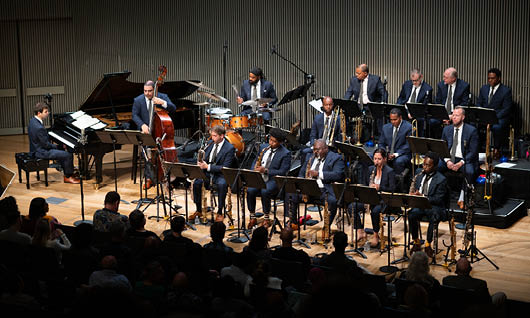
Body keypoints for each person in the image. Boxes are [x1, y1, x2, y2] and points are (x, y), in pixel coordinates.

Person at [289, 139, 344, 231]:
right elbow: (302, 173)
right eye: (314, 149)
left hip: (325, 189)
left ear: (326, 149)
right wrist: (303, 182)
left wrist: (319, 174)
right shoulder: (310, 157)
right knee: (291, 194)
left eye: (318, 150)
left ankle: (326, 227)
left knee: (332, 201)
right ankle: (293, 223)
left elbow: (338, 175)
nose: (315, 152)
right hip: (309, 189)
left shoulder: (336, 158)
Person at [132, 80, 176, 189]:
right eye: (145, 91)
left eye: (149, 91)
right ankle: (149, 178)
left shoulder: (162, 96)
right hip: (146, 132)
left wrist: (163, 103)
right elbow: (135, 115)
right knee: (148, 154)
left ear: (154, 89)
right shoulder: (138, 100)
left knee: (163, 153)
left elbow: (173, 108)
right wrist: (142, 125)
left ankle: (166, 176)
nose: (147, 93)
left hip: (160, 133)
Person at [247, 128, 291, 229]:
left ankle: (266, 217)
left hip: (273, 179)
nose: (270, 142)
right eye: (270, 140)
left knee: (265, 191)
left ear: (280, 142)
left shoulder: (285, 153)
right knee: (250, 190)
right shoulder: (263, 147)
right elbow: (255, 160)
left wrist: (266, 170)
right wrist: (254, 168)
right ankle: (252, 216)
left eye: (274, 141)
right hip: (260, 177)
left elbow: (283, 172)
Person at [191, 125, 235, 222]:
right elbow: (205, 158)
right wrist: (201, 162)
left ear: (222, 136)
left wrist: (208, 167)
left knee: (222, 184)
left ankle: (220, 211)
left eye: (215, 136)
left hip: (220, 174)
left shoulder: (229, 148)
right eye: (212, 136)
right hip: (207, 172)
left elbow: (225, 167)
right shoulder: (210, 143)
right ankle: (198, 209)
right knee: (197, 182)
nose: (212, 138)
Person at [28, 102, 79, 184]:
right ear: (39, 113)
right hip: (41, 152)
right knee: (68, 154)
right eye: (45, 112)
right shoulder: (39, 127)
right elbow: (46, 145)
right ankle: (68, 177)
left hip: (35, 149)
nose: (48, 113)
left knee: (63, 151)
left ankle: (68, 170)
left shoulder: (32, 121)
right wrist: (59, 147)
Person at [408, 152, 448, 258]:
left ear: (435, 166)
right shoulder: (419, 173)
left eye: (428, 165)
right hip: (420, 204)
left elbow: (438, 199)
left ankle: (428, 244)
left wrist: (423, 196)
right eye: (424, 164)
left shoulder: (441, 179)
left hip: (434, 205)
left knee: (433, 216)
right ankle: (416, 242)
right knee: (411, 215)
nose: (424, 167)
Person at [440, 107, 479, 208]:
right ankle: (438, 195)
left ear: (463, 117)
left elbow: (473, 151)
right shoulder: (446, 129)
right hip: (449, 158)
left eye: (457, 116)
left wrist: (461, 162)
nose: (454, 117)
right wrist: (447, 161)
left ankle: (463, 198)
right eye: (453, 115)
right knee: (433, 166)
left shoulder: (471, 131)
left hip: (464, 159)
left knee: (469, 171)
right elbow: (442, 147)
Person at [476, 68, 513, 155]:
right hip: (485, 116)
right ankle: (478, 148)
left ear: (499, 78)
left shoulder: (506, 91)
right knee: (473, 125)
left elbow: (506, 108)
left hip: (499, 117)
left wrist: (494, 118)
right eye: (489, 78)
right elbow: (479, 103)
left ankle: (496, 149)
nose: (490, 80)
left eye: (492, 78)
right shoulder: (484, 88)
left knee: (497, 127)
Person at [344, 64, 387, 137]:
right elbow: (349, 93)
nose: (356, 75)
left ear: (365, 73)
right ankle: (348, 135)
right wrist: (344, 103)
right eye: (356, 73)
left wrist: (382, 103)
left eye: (358, 73)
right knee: (344, 113)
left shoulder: (375, 79)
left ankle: (380, 137)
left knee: (380, 115)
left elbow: (383, 92)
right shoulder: (354, 80)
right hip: (357, 105)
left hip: (369, 105)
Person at [366, 148, 396, 248]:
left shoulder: (389, 171)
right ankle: (360, 231)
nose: (376, 161)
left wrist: (379, 187)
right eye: (375, 159)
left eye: (379, 159)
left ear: (384, 159)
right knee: (353, 206)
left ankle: (375, 235)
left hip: (384, 200)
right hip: (371, 197)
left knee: (375, 211)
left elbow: (392, 189)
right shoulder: (371, 169)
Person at [377, 108, 413, 175]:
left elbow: (408, 146)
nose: (393, 122)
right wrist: (384, 153)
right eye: (391, 120)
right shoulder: (385, 127)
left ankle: (398, 183)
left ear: (400, 118)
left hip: (403, 154)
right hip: (388, 153)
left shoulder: (409, 127)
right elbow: (381, 143)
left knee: (398, 161)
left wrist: (396, 154)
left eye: (395, 120)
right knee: (373, 157)